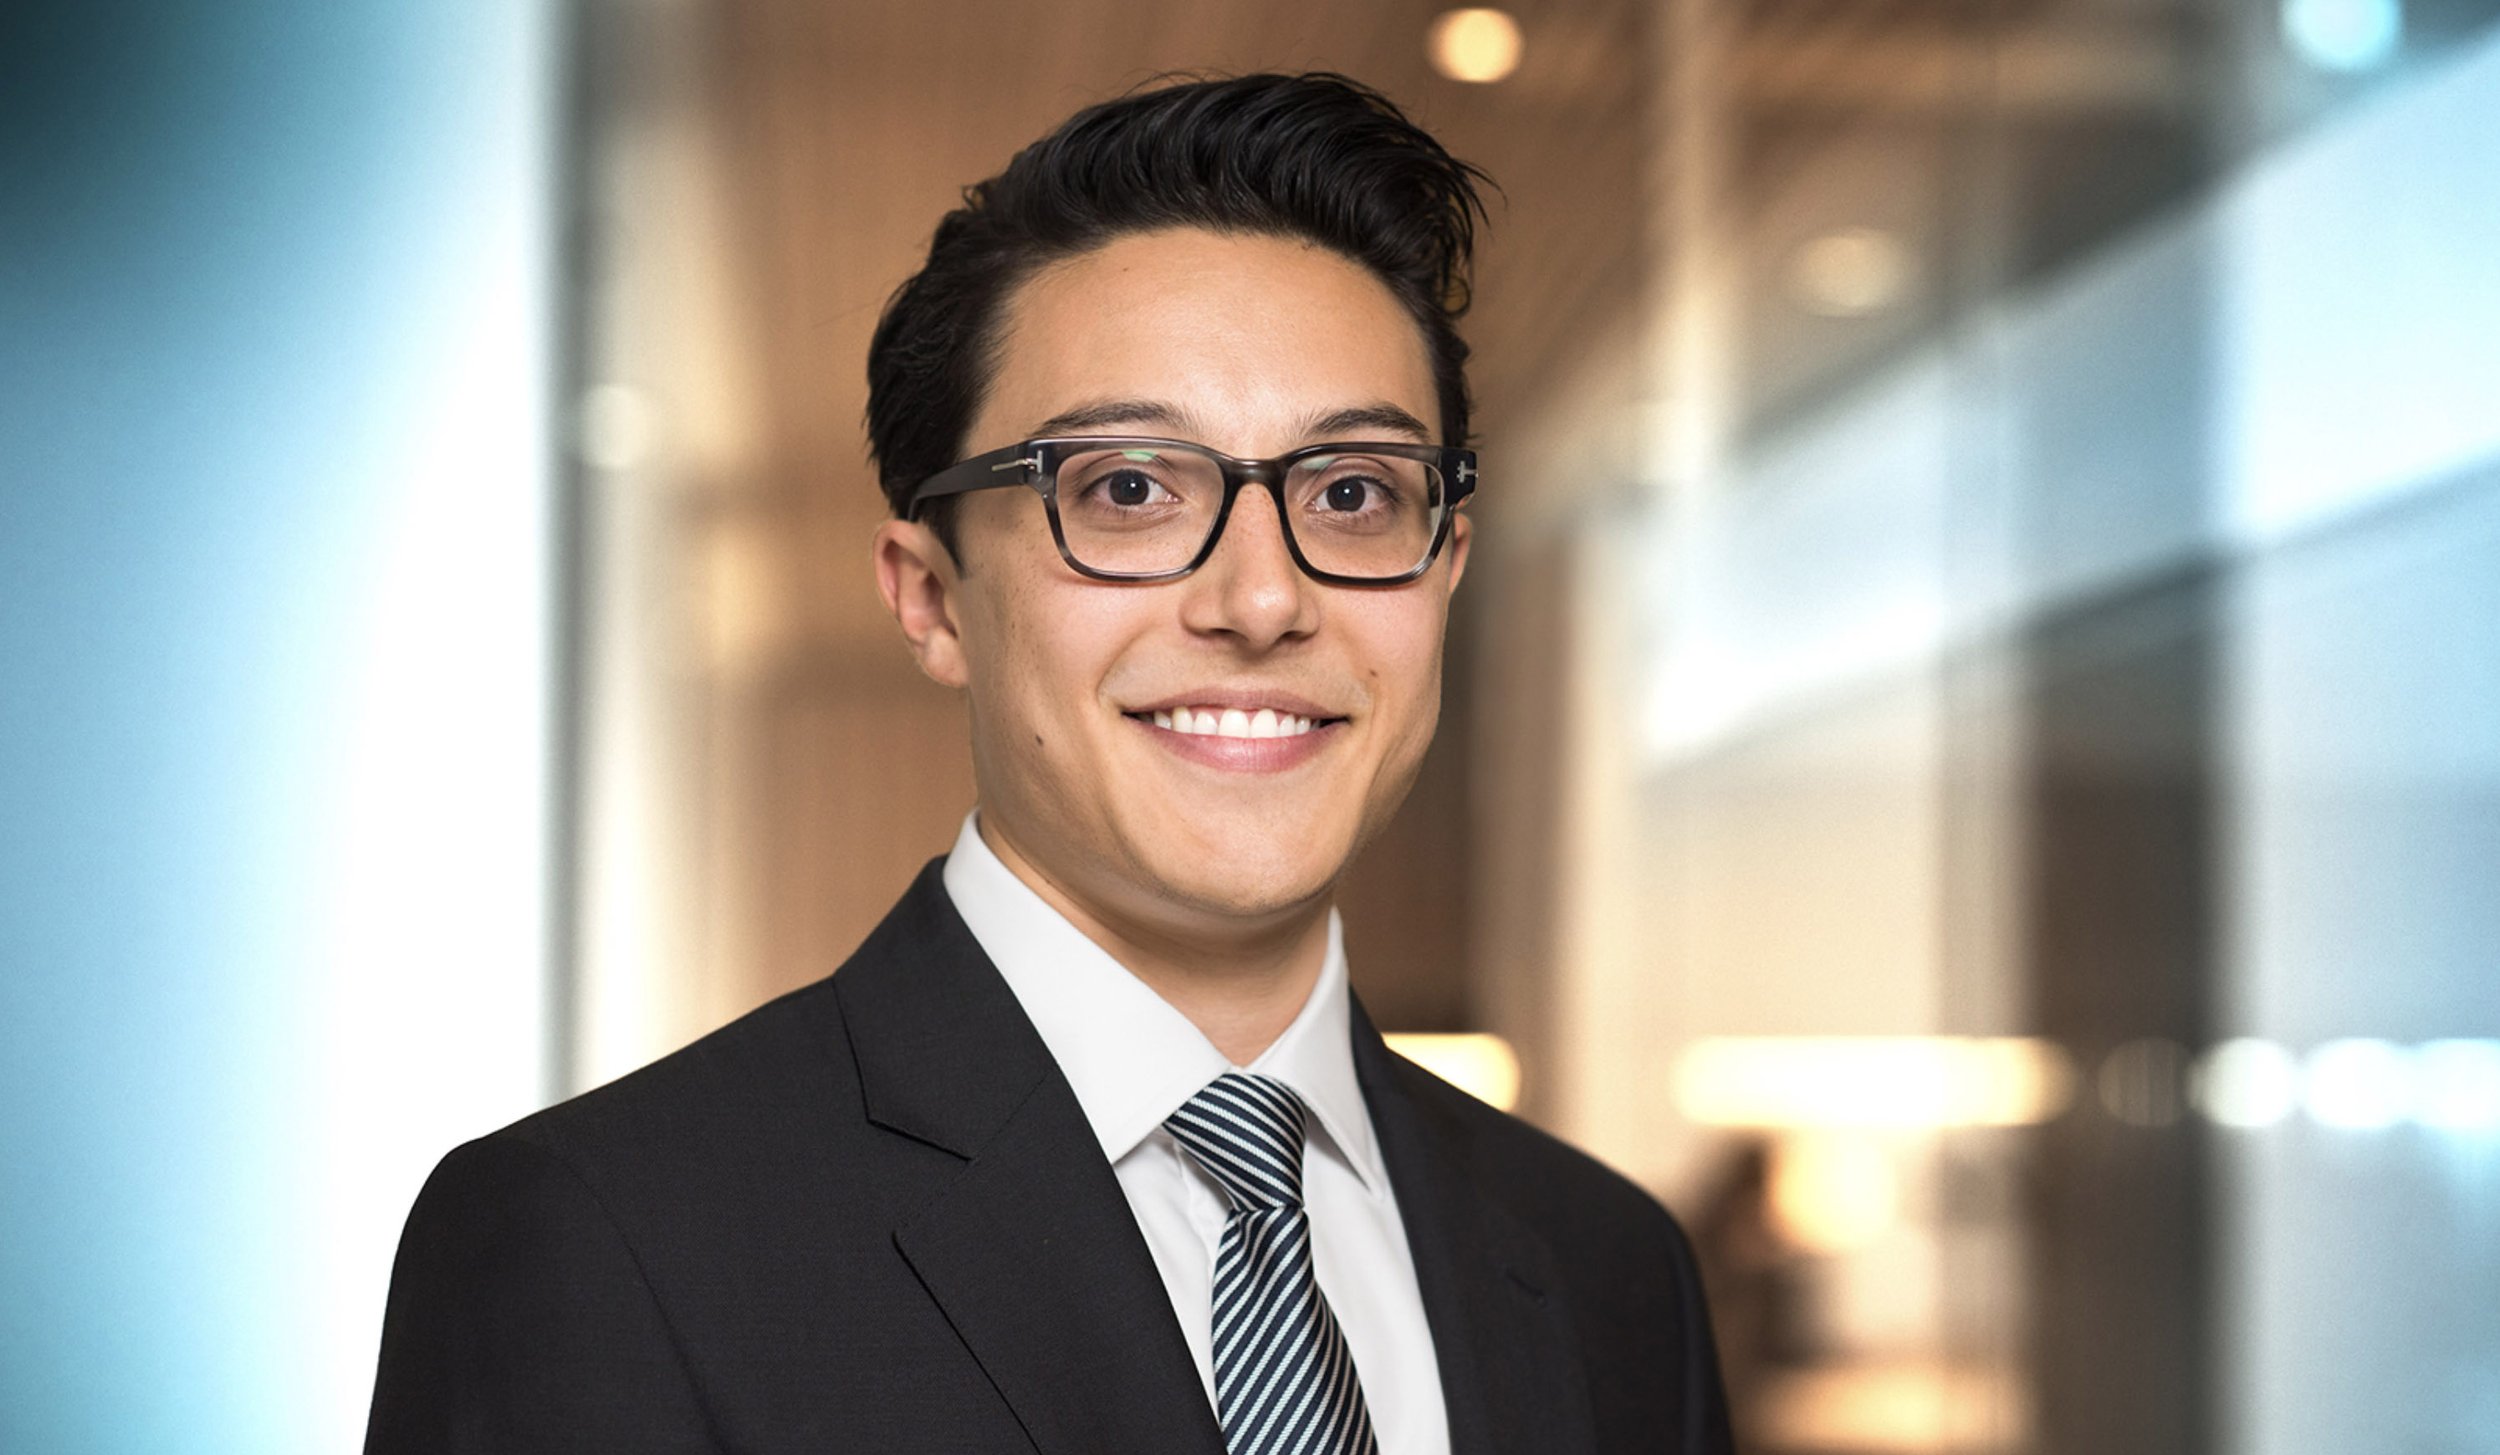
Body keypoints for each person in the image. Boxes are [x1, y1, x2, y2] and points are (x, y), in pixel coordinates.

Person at [364, 72, 1732, 1455]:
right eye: (1129, 489)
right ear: (933, 597)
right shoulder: (605, 1246)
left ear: (1447, 568)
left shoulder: (1611, 1272)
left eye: (1353, 493)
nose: (1261, 602)